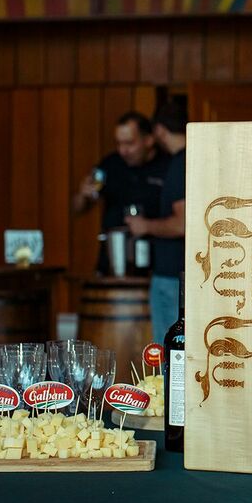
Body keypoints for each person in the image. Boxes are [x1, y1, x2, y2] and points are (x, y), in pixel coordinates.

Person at [72, 111, 170, 275]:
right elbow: (77, 208)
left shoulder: (167, 166)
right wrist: (83, 195)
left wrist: (148, 226)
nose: (123, 150)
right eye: (119, 143)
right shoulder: (110, 164)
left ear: (149, 140)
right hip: (113, 262)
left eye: (129, 143)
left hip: (156, 266)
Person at [126, 101, 187, 342]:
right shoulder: (195, 159)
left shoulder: (180, 164)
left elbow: (182, 224)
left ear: (159, 130)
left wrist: (145, 226)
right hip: (182, 273)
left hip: (171, 276)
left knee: (169, 350)